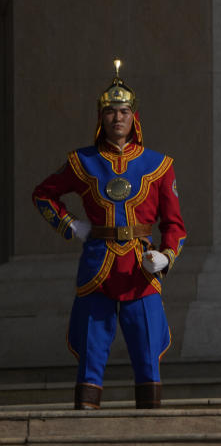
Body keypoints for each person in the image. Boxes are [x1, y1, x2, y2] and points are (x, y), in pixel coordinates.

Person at [32, 61, 187, 410]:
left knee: (148, 357)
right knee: (90, 357)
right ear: (100, 117)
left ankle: (151, 432)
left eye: (124, 111)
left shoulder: (160, 165)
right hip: (96, 270)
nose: (118, 118)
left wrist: (166, 256)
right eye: (111, 111)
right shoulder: (81, 161)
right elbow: (42, 194)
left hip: (141, 271)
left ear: (134, 117)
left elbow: (176, 226)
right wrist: (70, 225)